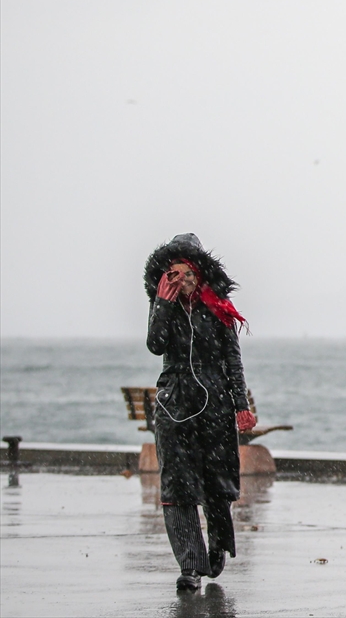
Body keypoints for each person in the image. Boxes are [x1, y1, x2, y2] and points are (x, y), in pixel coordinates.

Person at [143, 233, 256, 591]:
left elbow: (232, 361)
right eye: (173, 273)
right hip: (175, 401)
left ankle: (219, 544)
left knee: (217, 482)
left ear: (198, 272)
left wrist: (241, 404)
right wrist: (162, 304)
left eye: (187, 273)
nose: (181, 280)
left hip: (215, 402)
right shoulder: (164, 304)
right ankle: (190, 565)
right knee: (177, 485)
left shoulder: (217, 306)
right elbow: (155, 344)